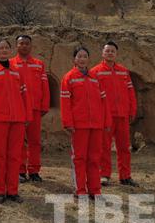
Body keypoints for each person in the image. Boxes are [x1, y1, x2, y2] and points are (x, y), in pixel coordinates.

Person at [0, 38, 30, 204]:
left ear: (10, 51)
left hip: (17, 119)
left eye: (6, 48)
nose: (4, 50)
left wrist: (26, 116)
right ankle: (0, 190)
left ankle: (13, 191)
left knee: (15, 156)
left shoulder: (17, 71)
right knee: (0, 156)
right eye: (1, 48)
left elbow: (24, 95)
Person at [60, 45, 111, 199]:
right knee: (79, 158)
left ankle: (95, 190)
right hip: (79, 126)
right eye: (79, 56)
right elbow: (65, 103)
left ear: (88, 59)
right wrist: (68, 123)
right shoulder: (69, 78)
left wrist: (106, 122)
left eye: (85, 56)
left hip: (96, 125)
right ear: (74, 59)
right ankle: (80, 190)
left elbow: (104, 102)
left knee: (94, 158)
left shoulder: (95, 77)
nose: (82, 59)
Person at [89, 41, 139, 187]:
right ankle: (104, 175)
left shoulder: (123, 71)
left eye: (112, 51)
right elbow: (92, 96)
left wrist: (132, 110)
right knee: (104, 147)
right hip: (106, 116)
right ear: (102, 53)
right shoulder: (95, 72)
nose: (110, 53)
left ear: (116, 54)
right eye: (107, 51)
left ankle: (125, 176)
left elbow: (130, 92)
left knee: (124, 147)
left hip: (122, 115)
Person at [11, 35, 49, 184]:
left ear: (31, 46)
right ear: (16, 46)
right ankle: (20, 170)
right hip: (18, 109)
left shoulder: (39, 65)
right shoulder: (11, 64)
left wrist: (44, 106)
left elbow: (45, 87)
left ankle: (34, 171)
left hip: (34, 109)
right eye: (21, 43)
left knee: (34, 141)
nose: (24, 46)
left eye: (27, 43)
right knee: (19, 141)